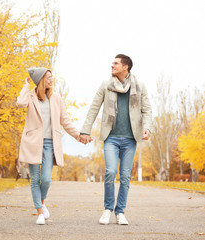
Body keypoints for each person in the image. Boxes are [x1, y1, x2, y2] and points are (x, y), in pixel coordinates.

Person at [79, 54, 152, 225]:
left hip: (130, 139)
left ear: (125, 67)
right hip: (111, 137)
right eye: (113, 63)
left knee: (125, 176)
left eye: (116, 63)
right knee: (111, 172)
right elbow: (94, 108)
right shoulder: (106, 85)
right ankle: (107, 209)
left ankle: (120, 212)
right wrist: (85, 130)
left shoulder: (140, 86)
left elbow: (147, 110)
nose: (112, 65)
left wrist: (147, 127)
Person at [17, 67, 82, 225]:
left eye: (51, 77)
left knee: (46, 179)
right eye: (48, 78)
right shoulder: (31, 96)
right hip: (33, 143)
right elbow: (20, 103)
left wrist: (78, 136)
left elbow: (65, 121)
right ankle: (39, 212)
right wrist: (26, 86)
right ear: (40, 80)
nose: (51, 80)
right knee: (35, 180)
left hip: (49, 144)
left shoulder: (56, 98)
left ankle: (42, 203)